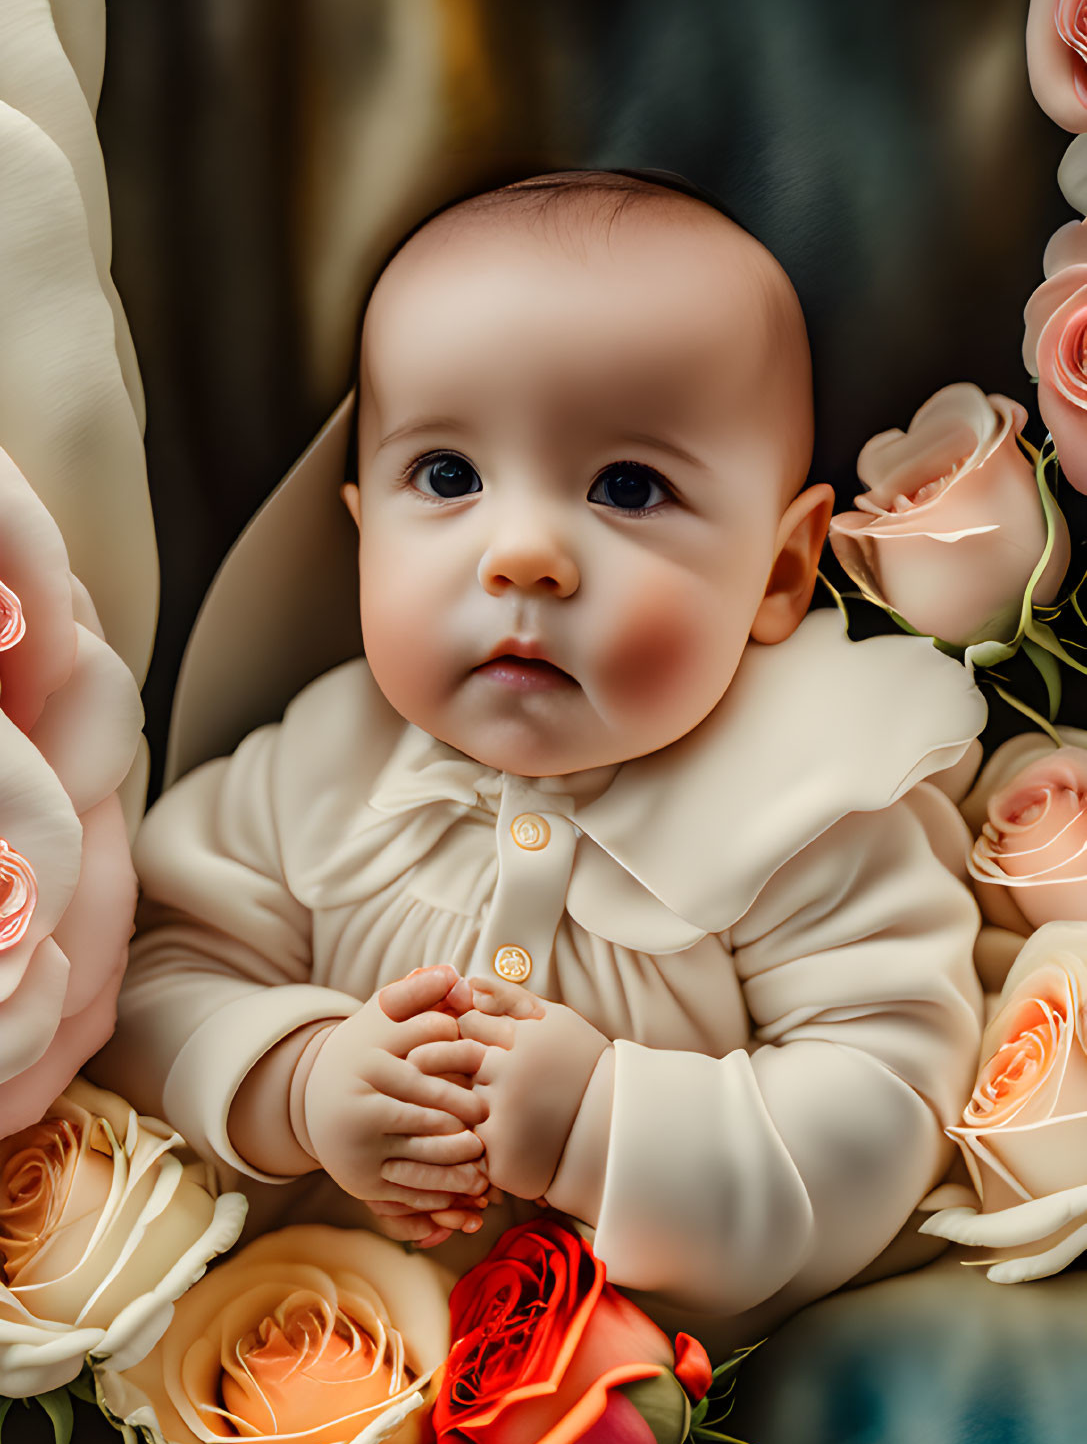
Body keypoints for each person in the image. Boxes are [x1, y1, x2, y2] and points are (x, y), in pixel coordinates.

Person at [97, 168, 986, 1338]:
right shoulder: (312, 768)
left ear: (777, 573)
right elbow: (146, 988)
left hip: (667, 1405)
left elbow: (889, 1106)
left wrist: (600, 1120)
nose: (522, 555)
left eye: (627, 487)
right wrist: (298, 1079)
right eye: (449, 477)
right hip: (315, 1361)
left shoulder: (811, 805)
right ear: (364, 535)